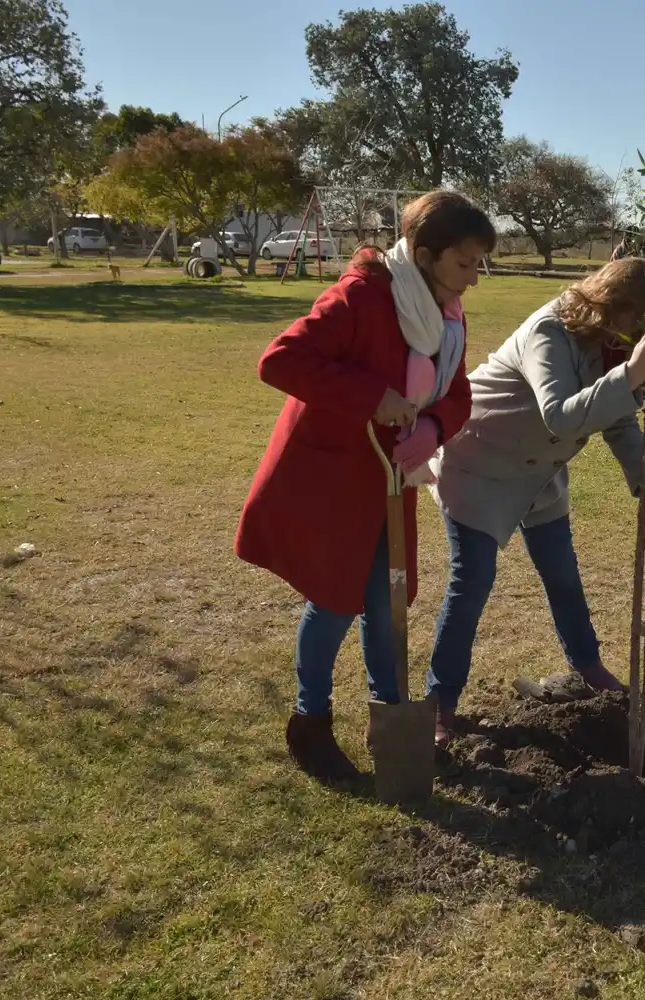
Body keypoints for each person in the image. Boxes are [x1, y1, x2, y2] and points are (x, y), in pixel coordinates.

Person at [235, 191, 497, 782]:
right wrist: (372, 397)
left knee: (386, 603)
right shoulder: (360, 297)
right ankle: (310, 722)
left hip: (392, 481)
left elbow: (457, 394)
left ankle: (391, 719)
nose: (474, 278)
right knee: (334, 601)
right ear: (424, 256)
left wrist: (431, 426)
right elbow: (280, 360)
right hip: (332, 480)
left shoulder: (447, 316)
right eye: (464, 263)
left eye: (479, 264)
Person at [425, 257, 645, 745]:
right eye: (639, 321)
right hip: (479, 463)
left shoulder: (609, 344)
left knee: (562, 574)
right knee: (472, 582)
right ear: (613, 306)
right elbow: (560, 415)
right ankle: (439, 705)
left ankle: (589, 667)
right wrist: (631, 374)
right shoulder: (549, 331)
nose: (640, 334)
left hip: (537, 473)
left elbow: (617, 417)